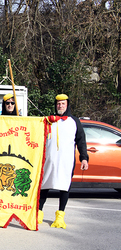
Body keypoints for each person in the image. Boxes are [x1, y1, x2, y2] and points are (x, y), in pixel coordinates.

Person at [39, 94, 89, 228]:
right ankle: (38, 213)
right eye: (58, 104)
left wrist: (84, 158)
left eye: (63, 104)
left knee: (64, 187)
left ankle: (60, 216)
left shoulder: (74, 121)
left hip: (66, 161)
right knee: (44, 185)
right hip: (49, 160)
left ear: (67, 105)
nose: (60, 106)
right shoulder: (49, 120)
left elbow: (81, 141)